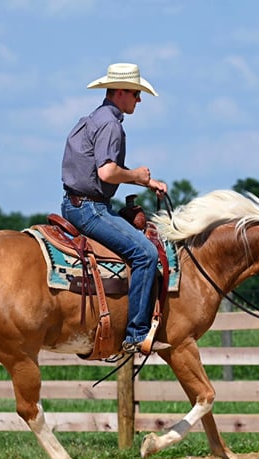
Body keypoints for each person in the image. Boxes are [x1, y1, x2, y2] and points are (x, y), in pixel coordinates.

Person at [61, 62, 169, 354]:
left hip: (74, 203)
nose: (139, 100)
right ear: (120, 92)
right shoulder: (111, 125)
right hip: (90, 209)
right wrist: (137, 176)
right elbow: (108, 173)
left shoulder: (91, 119)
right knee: (146, 254)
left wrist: (148, 182)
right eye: (135, 93)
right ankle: (136, 333)